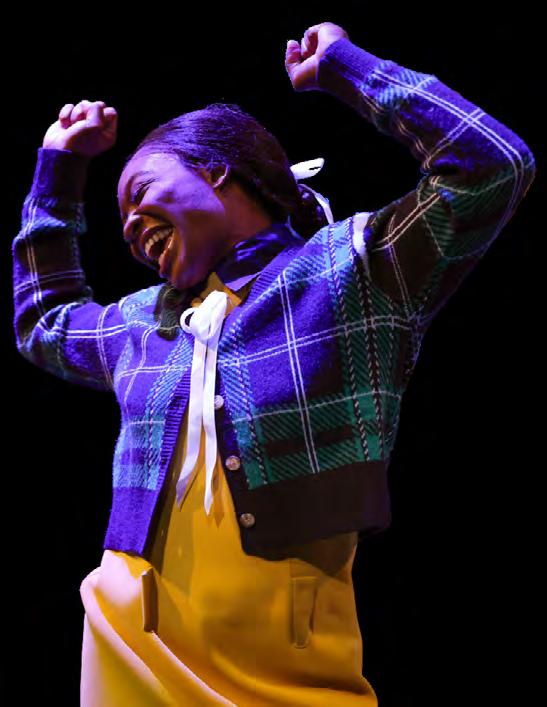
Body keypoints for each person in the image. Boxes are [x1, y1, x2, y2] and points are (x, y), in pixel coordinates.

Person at [12, 20, 535, 707]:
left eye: (140, 192)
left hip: (284, 664)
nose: (131, 229)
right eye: (123, 222)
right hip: (128, 641)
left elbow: (492, 165)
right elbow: (46, 322)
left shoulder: (351, 273)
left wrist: (348, 68)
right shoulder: (144, 323)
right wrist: (57, 172)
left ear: (215, 169)